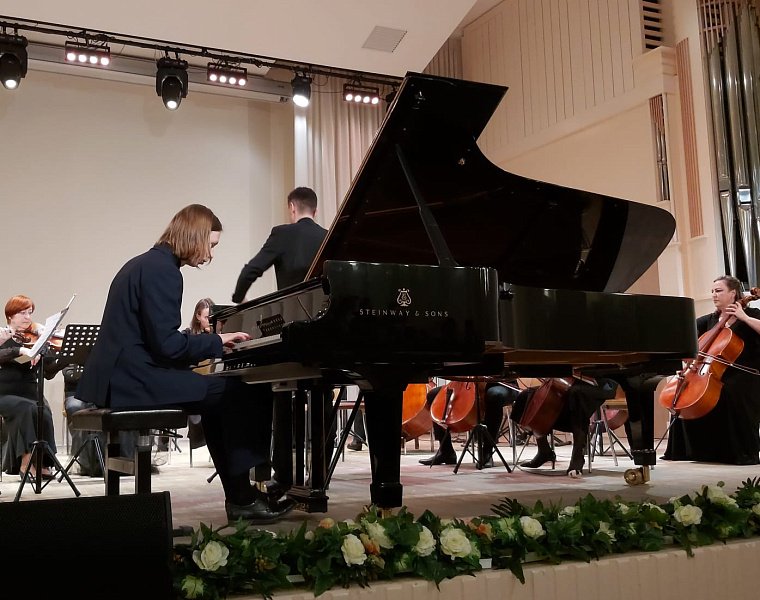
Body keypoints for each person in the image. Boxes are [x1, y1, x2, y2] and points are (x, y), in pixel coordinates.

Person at [76, 204, 293, 523]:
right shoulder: (164, 270)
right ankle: (244, 496)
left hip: (121, 377)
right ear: (195, 236)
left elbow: (157, 340)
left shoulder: (145, 263)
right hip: (133, 381)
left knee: (218, 396)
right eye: (211, 245)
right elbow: (167, 346)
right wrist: (217, 341)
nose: (210, 255)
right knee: (243, 390)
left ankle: (241, 496)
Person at [231, 186, 335, 498]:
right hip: (325, 331)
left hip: (289, 329)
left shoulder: (282, 234)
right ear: (315, 210)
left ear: (292, 207)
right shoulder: (328, 237)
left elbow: (252, 269)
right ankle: (320, 474)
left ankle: (284, 476)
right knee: (323, 396)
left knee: (281, 392)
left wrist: (239, 298)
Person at [663, 275, 760, 465]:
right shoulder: (710, 320)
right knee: (683, 395)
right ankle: (697, 451)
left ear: (733, 293)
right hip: (711, 371)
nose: (714, 295)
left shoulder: (752, 314)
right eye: (712, 291)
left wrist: (744, 317)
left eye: (719, 291)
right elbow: (684, 338)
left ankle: (737, 452)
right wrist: (687, 355)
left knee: (731, 391)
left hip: (745, 373)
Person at [0, 295, 58, 480]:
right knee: (26, 409)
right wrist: (20, 350)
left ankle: (43, 463)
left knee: (44, 411)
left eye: (29, 313)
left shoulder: (32, 338)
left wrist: (58, 357)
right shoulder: (2, 336)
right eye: (22, 313)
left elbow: (48, 372)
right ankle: (26, 463)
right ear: (10, 316)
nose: (27, 317)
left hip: (29, 392)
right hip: (5, 393)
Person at [512, 375, 618, 476]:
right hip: (568, 381)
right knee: (526, 395)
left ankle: (577, 457)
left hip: (600, 383)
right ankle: (544, 450)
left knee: (576, 395)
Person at [419, 380, 519, 467]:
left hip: (501, 383)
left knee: (494, 395)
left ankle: (487, 452)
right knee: (433, 395)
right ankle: (446, 451)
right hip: (466, 384)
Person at [182, 297, 216, 452]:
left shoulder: (217, 336)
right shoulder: (188, 335)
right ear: (198, 316)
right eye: (206, 317)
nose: (209, 321)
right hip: (194, 383)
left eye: (211, 318)